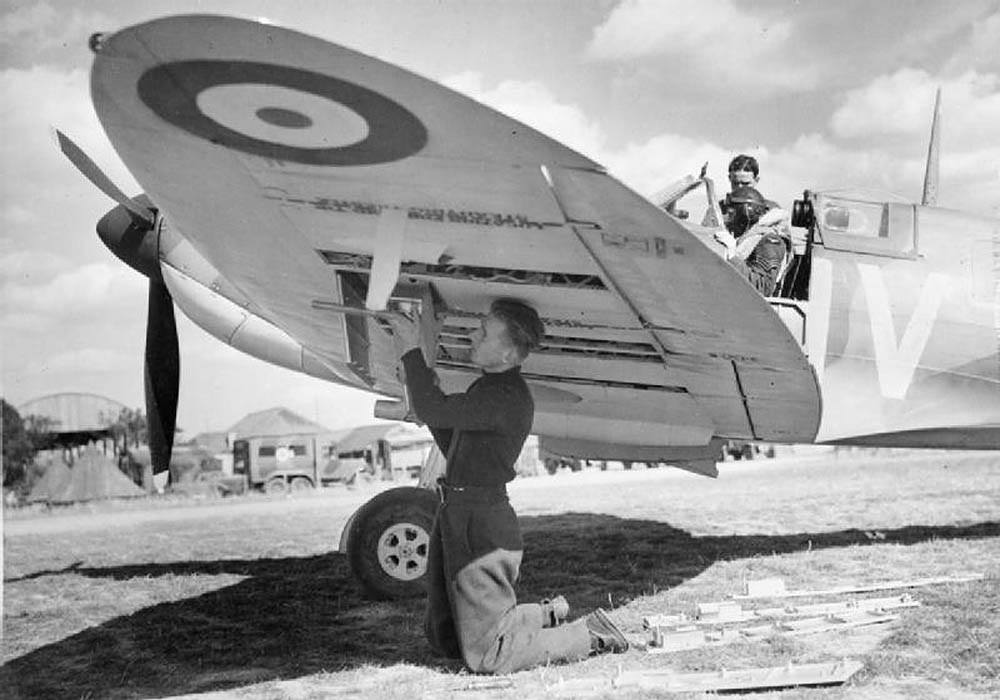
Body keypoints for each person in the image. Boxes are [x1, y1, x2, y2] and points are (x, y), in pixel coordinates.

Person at [389, 298, 629, 674]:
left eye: (483, 332)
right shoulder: (490, 389)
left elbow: (436, 410)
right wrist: (425, 393)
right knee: (445, 637)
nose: (473, 335)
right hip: (460, 512)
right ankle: (544, 615)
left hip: (479, 523)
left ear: (506, 352)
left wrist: (410, 352)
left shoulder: (504, 396)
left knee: (490, 656)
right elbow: (450, 436)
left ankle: (590, 634)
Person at [714, 185, 793, 296]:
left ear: (747, 212)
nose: (728, 220)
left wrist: (732, 255)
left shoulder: (770, 241)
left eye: (732, 214)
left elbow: (764, 287)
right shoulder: (746, 238)